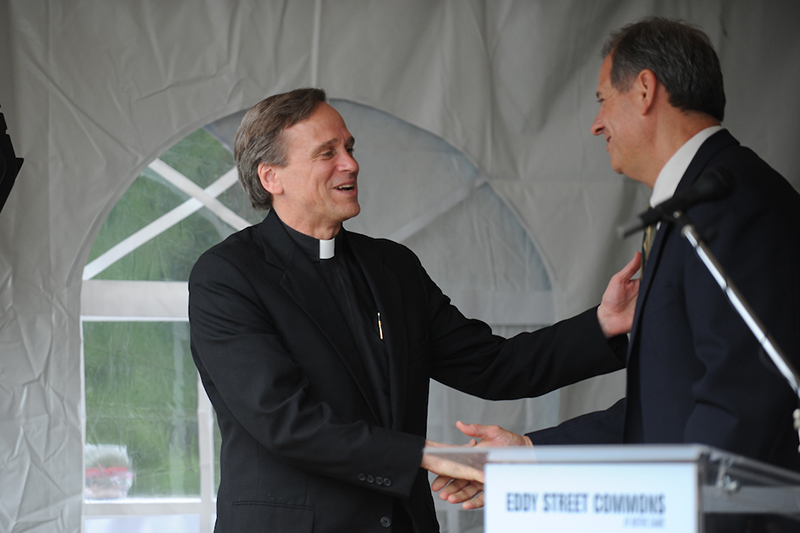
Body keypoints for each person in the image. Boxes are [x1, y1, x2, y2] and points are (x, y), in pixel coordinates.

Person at [188, 87, 639, 532]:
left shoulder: (392, 267)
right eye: (327, 153)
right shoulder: (227, 277)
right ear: (272, 178)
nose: (351, 163)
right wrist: (422, 454)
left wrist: (603, 324)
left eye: (349, 147)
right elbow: (286, 422)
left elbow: (494, 364)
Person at [435, 18, 800, 521]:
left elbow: (742, 402)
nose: (596, 123)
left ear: (645, 90)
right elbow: (668, 411)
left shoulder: (727, 205)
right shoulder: (697, 204)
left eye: (603, 99)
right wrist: (530, 451)